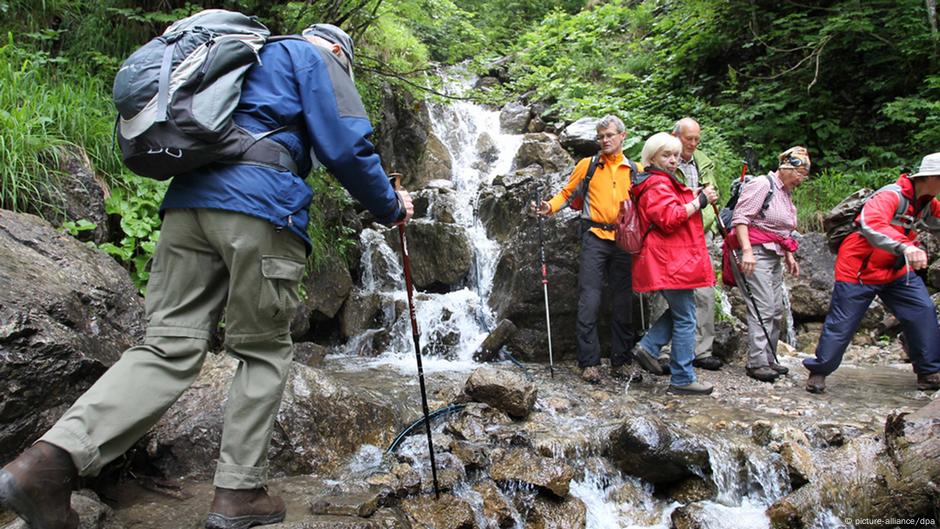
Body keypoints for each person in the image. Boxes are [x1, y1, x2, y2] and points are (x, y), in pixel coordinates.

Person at [0, 23, 413, 529]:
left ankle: (47, 463)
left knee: (166, 346)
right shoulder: (313, 57)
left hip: (187, 206)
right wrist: (391, 206)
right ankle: (239, 494)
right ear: (336, 50)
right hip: (260, 208)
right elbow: (346, 147)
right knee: (261, 350)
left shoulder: (238, 59)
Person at [803, 152, 940, 393]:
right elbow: (873, 224)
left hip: (895, 270)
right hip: (858, 270)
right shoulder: (890, 195)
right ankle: (819, 371)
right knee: (842, 323)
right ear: (931, 178)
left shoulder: (927, 202)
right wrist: (907, 246)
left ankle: (928, 372)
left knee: (922, 311)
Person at [534, 115, 641, 384]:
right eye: (601, 136)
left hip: (624, 240)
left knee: (623, 301)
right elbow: (567, 193)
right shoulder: (588, 165)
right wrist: (549, 207)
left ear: (622, 136)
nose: (605, 140)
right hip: (594, 235)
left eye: (610, 135)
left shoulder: (636, 169)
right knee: (589, 299)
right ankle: (589, 362)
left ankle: (622, 360)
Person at [630, 132, 719, 395]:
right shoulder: (656, 184)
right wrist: (699, 201)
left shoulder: (659, 181)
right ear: (652, 157)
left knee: (684, 312)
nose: (672, 161)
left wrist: (694, 195)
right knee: (686, 317)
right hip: (669, 259)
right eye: (666, 155)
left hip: (672, 258)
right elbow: (669, 217)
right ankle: (681, 377)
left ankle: (650, 346)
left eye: (676, 156)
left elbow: (674, 206)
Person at [648, 118, 723, 373]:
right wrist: (698, 199)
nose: (692, 144)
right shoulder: (659, 173)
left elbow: (712, 192)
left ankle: (698, 352)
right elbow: (670, 214)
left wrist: (711, 213)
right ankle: (664, 354)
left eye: (696, 140)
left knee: (700, 296)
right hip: (674, 239)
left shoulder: (703, 162)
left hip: (700, 233)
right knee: (673, 300)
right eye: (687, 139)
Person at [728, 147, 807, 383]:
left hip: (773, 254)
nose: (802, 178)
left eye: (805, 174)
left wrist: (789, 255)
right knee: (762, 307)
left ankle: (770, 357)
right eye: (800, 173)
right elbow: (741, 218)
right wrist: (747, 252)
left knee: (775, 309)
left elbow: (781, 230)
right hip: (755, 253)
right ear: (786, 168)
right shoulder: (763, 185)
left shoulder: (785, 192)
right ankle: (757, 362)